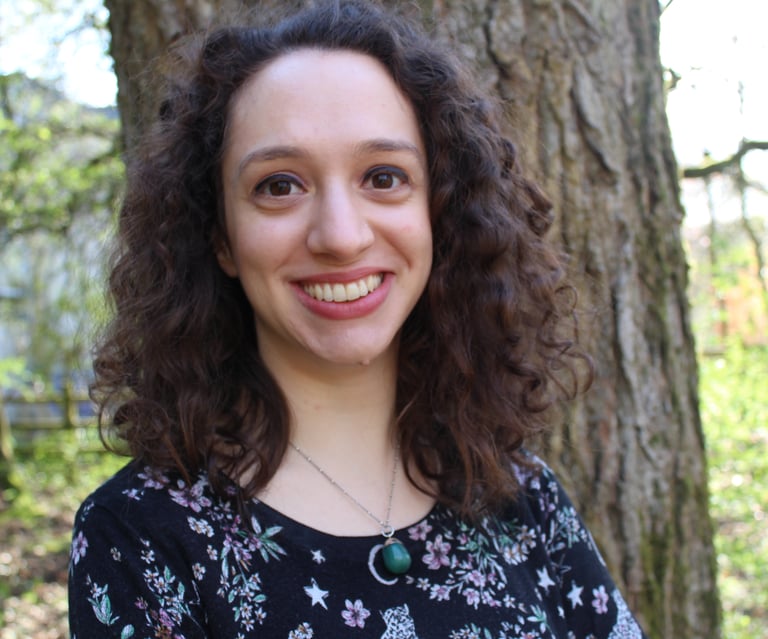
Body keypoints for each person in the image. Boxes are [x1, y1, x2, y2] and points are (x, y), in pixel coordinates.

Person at [68, 1, 648, 637]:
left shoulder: (520, 498)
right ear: (220, 238)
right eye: (279, 185)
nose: (341, 237)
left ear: (440, 213)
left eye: (383, 176)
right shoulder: (140, 539)